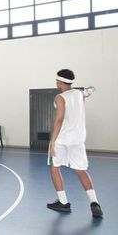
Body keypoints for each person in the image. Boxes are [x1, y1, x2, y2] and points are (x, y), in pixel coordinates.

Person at [47, 69, 102, 218]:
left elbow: (59, 120)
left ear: (59, 82)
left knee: (55, 168)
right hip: (78, 140)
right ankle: (94, 202)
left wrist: (52, 141)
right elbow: (85, 93)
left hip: (63, 139)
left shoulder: (60, 97)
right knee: (81, 170)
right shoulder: (78, 94)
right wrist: (89, 90)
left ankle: (63, 202)